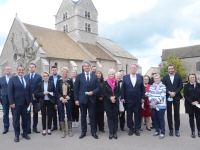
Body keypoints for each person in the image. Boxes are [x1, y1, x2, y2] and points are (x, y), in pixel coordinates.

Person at [74, 60, 99, 139]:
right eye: (85, 66)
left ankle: (93, 132)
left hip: (92, 99)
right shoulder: (79, 76)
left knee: (92, 116)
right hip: (82, 99)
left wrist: (93, 92)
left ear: (90, 67)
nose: (87, 67)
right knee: (83, 117)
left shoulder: (94, 76)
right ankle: (83, 132)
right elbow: (76, 89)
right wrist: (76, 99)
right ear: (83, 67)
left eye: (88, 66)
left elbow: (98, 87)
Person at [8, 64, 32, 142]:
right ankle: (17, 135)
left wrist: (30, 101)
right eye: (19, 70)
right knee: (16, 120)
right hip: (16, 103)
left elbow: (29, 91)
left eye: (22, 70)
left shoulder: (27, 79)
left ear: (24, 71)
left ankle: (25, 133)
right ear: (17, 71)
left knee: (25, 119)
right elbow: (10, 92)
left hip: (25, 103)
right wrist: (11, 102)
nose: (21, 71)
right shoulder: (12, 79)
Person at [121, 64, 145, 136]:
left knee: (138, 114)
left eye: (135, 68)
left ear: (136, 69)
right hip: (128, 99)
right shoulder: (125, 77)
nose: (133, 69)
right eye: (132, 68)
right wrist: (122, 97)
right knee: (129, 114)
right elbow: (123, 88)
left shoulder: (140, 77)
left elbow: (142, 88)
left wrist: (143, 98)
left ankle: (137, 129)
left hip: (138, 99)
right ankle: (131, 128)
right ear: (130, 69)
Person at [162, 64, 183, 137]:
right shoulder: (165, 77)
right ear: (168, 70)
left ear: (174, 69)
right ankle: (171, 129)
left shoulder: (178, 76)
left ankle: (177, 130)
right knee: (169, 113)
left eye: (172, 68)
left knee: (177, 113)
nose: (170, 70)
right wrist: (169, 92)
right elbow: (163, 86)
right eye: (169, 69)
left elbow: (181, 86)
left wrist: (175, 92)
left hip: (176, 97)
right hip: (168, 97)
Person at [25, 63, 42, 134]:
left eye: (33, 67)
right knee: (27, 113)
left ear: (35, 68)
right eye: (30, 67)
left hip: (36, 97)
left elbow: (39, 86)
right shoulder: (25, 76)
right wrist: (29, 94)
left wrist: (34, 94)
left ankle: (34, 127)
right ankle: (28, 128)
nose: (31, 68)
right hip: (27, 98)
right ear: (29, 68)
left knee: (35, 113)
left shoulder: (39, 77)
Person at [56, 67, 73, 138]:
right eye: (63, 72)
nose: (65, 73)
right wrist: (61, 98)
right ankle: (63, 131)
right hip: (61, 99)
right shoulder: (58, 81)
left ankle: (70, 130)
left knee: (69, 114)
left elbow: (72, 90)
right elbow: (56, 91)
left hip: (68, 99)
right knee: (61, 114)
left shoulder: (70, 80)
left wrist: (67, 97)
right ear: (61, 72)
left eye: (66, 72)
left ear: (67, 73)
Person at [148, 73, 166, 139]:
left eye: (158, 78)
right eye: (155, 78)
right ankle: (157, 130)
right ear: (154, 79)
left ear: (160, 79)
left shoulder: (163, 86)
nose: (156, 79)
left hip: (160, 106)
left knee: (161, 119)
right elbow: (149, 94)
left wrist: (155, 102)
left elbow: (162, 95)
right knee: (154, 118)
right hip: (153, 105)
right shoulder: (152, 86)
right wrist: (152, 102)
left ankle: (162, 132)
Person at [104, 69, 120, 139]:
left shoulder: (117, 83)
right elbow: (104, 93)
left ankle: (115, 132)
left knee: (115, 118)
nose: (111, 75)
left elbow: (119, 92)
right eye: (110, 74)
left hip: (115, 102)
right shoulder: (105, 83)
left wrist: (115, 97)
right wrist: (110, 97)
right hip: (108, 102)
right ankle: (111, 132)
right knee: (110, 118)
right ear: (108, 75)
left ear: (114, 75)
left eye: (112, 74)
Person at [184, 73, 200, 138]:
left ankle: (199, 131)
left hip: (198, 105)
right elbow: (185, 95)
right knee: (191, 119)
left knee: (198, 119)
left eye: (193, 77)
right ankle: (192, 131)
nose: (192, 78)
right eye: (190, 77)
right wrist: (191, 102)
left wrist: (197, 101)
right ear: (189, 79)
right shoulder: (186, 86)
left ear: (195, 78)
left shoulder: (199, 85)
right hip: (189, 105)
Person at [0, 66, 13, 134]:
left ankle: (15, 126)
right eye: (6, 69)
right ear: (4, 71)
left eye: (9, 69)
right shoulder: (1, 79)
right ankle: (6, 127)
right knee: (5, 114)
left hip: (13, 99)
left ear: (11, 70)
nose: (7, 70)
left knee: (14, 114)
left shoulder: (14, 78)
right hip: (4, 98)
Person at [49, 66, 61, 131]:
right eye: (53, 70)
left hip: (59, 97)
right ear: (51, 71)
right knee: (53, 112)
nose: (54, 71)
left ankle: (61, 125)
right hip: (52, 97)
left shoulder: (60, 77)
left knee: (60, 112)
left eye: (55, 70)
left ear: (57, 70)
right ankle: (55, 126)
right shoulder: (50, 78)